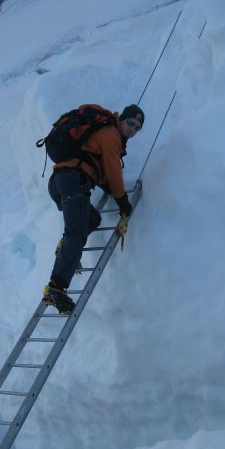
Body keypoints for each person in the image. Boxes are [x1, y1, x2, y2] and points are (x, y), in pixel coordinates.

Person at [43, 104, 145, 314]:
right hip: (73, 181)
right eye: (130, 123)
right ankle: (56, 288)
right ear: (121, 119)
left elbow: (94, 165)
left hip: (63, 181)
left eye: (137, 127)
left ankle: (65, 250)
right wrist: (123, 202)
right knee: (76, 234)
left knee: (91, 220)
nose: (132, 129)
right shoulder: (111, 135)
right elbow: (113, 171)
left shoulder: (104, 133)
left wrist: (106, 185)